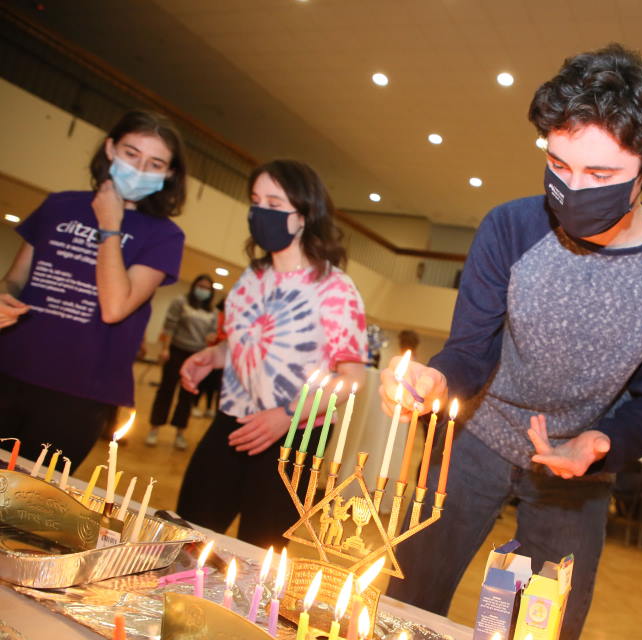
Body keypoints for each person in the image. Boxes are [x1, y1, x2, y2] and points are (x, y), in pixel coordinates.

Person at [380, 44, 642, 640]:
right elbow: (469, 351)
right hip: (474, 439)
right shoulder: (509, 227)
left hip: (578, 468)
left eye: (601, 175)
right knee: (406, 597)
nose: (574, 189)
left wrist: (601, 443)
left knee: (539, 627)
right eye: (559, 166)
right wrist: (435, 380)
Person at [176, 159, 367, 549]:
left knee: (259, 556)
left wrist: (288, 415)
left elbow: (352, 377)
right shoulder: (252, 276)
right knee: (189, 534)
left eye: (275, 204)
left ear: (304, 215)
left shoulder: (334, 287)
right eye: (256, 201)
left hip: (294, 436)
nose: (261, 212)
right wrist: (213, 357)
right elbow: (247, 341)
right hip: (232, 422)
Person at [0, 110, 187, 464]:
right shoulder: (59, 205)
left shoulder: (165, 236)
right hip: (10, 364)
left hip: (80, 389)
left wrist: (109, 225)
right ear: (110, 148)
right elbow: (16, 277)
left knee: (25, 507)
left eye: (155, 163)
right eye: (131, 154)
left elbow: (115, 306)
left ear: (169, 174)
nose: (139, 169)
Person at [146, 274, 216, 449]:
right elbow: (169, 327)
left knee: (188, 395)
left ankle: (180, 433)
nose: (204, 290)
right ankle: (154, 429)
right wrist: (165, 349)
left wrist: (212, 339)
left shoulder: (212, 312)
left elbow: (212, 332)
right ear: (194, 286)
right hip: (176, 350)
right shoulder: (180, 302)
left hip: (196, 357)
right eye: (201, 286)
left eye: (207, 288)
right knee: (166, 390)